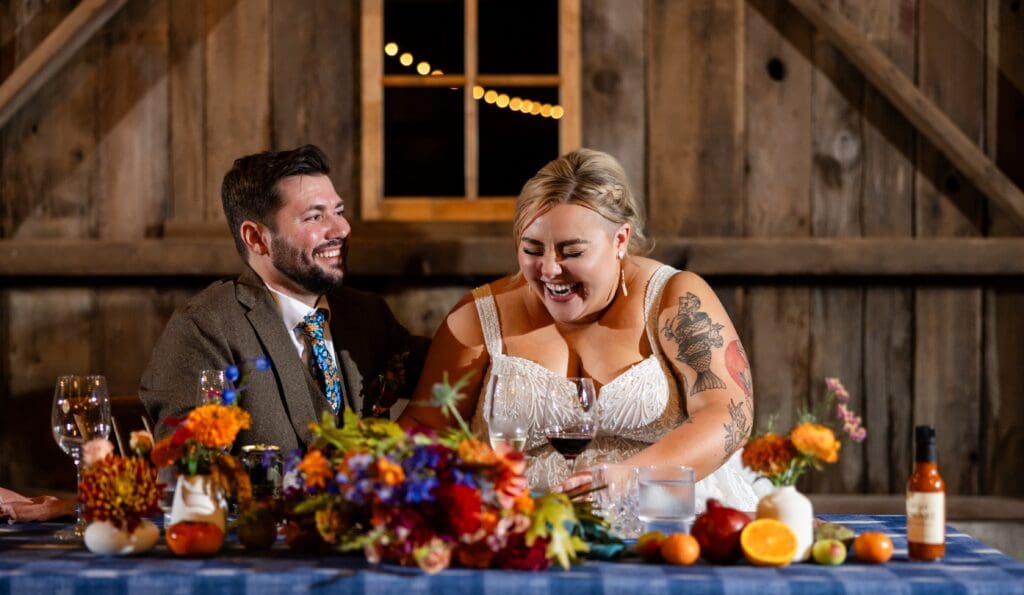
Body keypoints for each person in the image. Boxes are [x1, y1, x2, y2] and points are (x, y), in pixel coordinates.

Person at [399, 148, 765, 511]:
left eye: (571, 252)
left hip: (672, 520)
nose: (549, 270)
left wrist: (632, 475)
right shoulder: (477, 318)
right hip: (530, 531)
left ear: (619, 240)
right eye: (532, 249)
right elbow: (423, 429)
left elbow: (728, 414)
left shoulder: (675, 298)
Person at [141, 144, 428, 452]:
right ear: (256, 239)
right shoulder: (206, 329)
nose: (342, 229)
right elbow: (191, 470)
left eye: (339, 212)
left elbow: (452, 374)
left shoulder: (368, 315)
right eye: (315, 217)